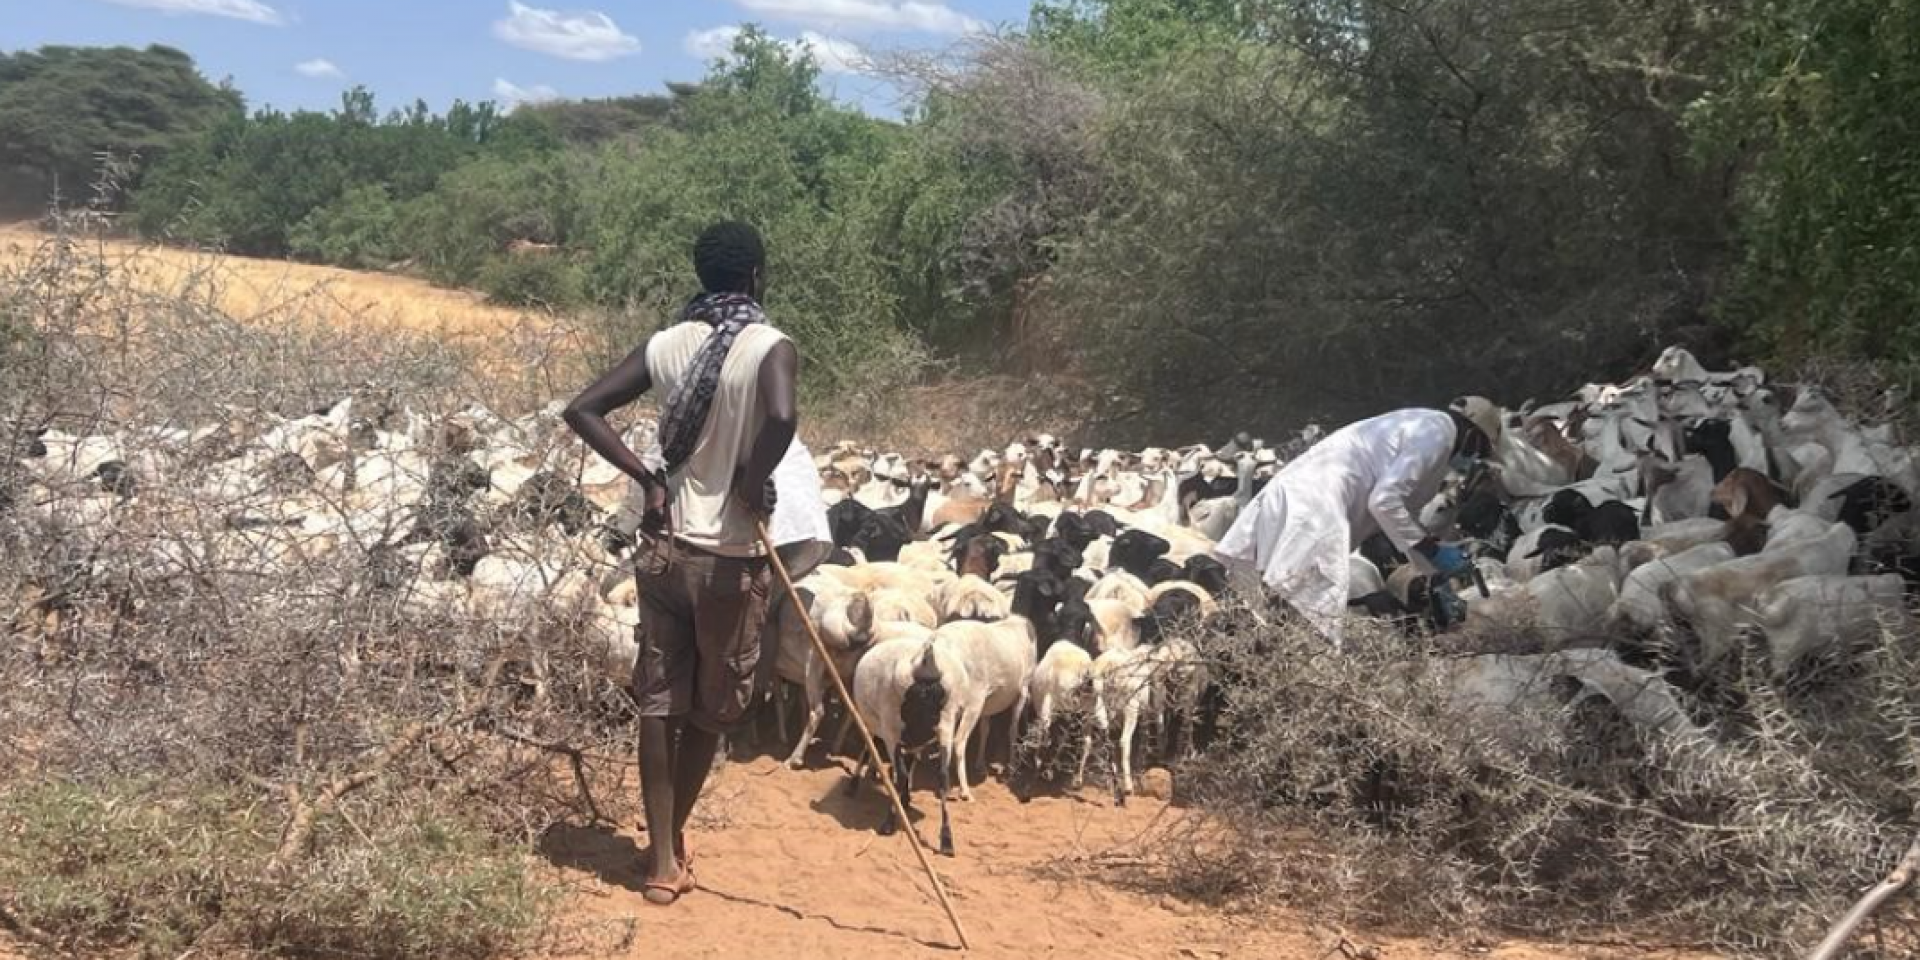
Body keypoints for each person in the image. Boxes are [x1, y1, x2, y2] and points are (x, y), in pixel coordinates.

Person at [563, 221, 801, 907]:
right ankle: (669, 851)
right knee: (711, 708)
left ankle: (663, 855)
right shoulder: (768, 346)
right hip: (730, 557)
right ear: (756, 276)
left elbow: (584, 408)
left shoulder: (666, 345)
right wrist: (755, 481)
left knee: (659, 702)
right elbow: (782, 418)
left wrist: (649, 477)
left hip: (662, 550)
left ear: (703, 275)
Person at [1212, 404, 1499, 643]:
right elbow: (1384, 501)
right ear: (1472, 434)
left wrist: (1433, 574)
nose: (1475, 460)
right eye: (1480, 451)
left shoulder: (1421, 424)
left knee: (1270, 611)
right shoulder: (1437, 435)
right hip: (1316, 508)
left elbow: (1403, 517)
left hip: (1294, 497)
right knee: (1311, 630)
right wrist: (1435, 553)